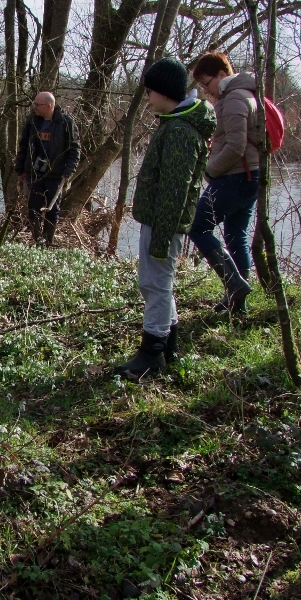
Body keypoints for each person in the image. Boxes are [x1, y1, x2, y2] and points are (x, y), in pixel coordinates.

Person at [115, 57, 216, 381]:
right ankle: (169, 346)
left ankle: (152, 352)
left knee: (155, 284)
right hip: (160, 221)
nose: (147, 98)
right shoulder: (174, 124)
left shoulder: (181, 131)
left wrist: (161, 235)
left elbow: (175, 189)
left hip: (164, 224)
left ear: (164, 91)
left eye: (149, 91)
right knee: (159, 283)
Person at [188, 52, 259, 314]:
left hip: (237, 176)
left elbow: (235, 147)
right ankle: (238, 305)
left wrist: (209, 171)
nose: (206, 90)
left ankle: (234, 284)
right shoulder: (243, 94)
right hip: (248, 176)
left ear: (221, 74)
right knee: (235, 235)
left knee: (197, 226)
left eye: (207, 83)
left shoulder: (234, 98)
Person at [14, 92, 80, 246]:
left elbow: (75, 149)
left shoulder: (66, 123)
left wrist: (69, 171)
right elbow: (24, 146)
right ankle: (38, 242)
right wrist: (20, 170)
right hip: (35, 172)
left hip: (56, 174)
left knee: (52, 209)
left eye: (37, 105)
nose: (34, 107)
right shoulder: (32, 121)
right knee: (33, 209)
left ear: (49, 106)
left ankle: (48, 242)